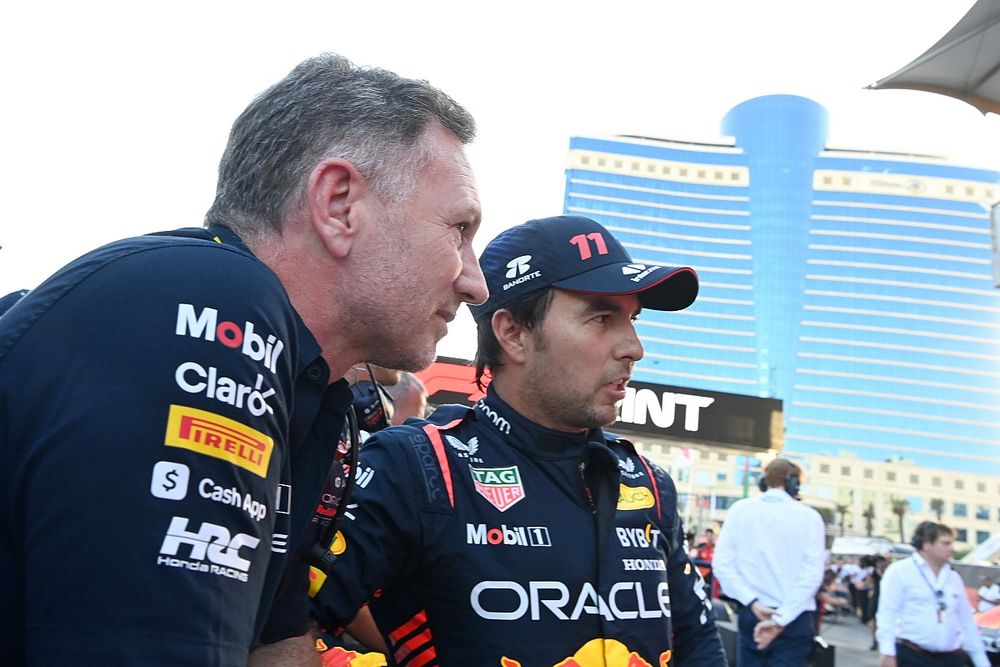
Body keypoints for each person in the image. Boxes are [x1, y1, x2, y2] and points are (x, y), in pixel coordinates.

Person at [0, 53, 487, 666]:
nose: (475, 282)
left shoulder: (321, 396)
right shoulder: (211, 303)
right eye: (459, 229)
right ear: (338, 204)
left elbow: (273, 643)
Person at [311, 215, 726, 665]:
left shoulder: (647, 483)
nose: (634, 347)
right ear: (513, 333)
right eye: (603, 318)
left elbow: (698, 647)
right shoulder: (417, 467)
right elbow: (280, 627)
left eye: (632, 319)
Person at [712, 458, 826, 667]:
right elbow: (812, 576)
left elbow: (721, 564)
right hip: (795, 618)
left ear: (763, 481)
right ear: (794, 483)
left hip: (752, 614)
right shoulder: (810, 517)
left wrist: (752, 603)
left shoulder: (740, 510)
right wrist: (780, 620)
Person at [875, 522, 990, 667]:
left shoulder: (953, 578)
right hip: (912, 656)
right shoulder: (900, 571)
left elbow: (966, 621)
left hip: (951, 658)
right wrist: (888, 653)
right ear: (927, 544)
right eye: (945, 543)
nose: (952, 549)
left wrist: (982, 662)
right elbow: (887, 615)